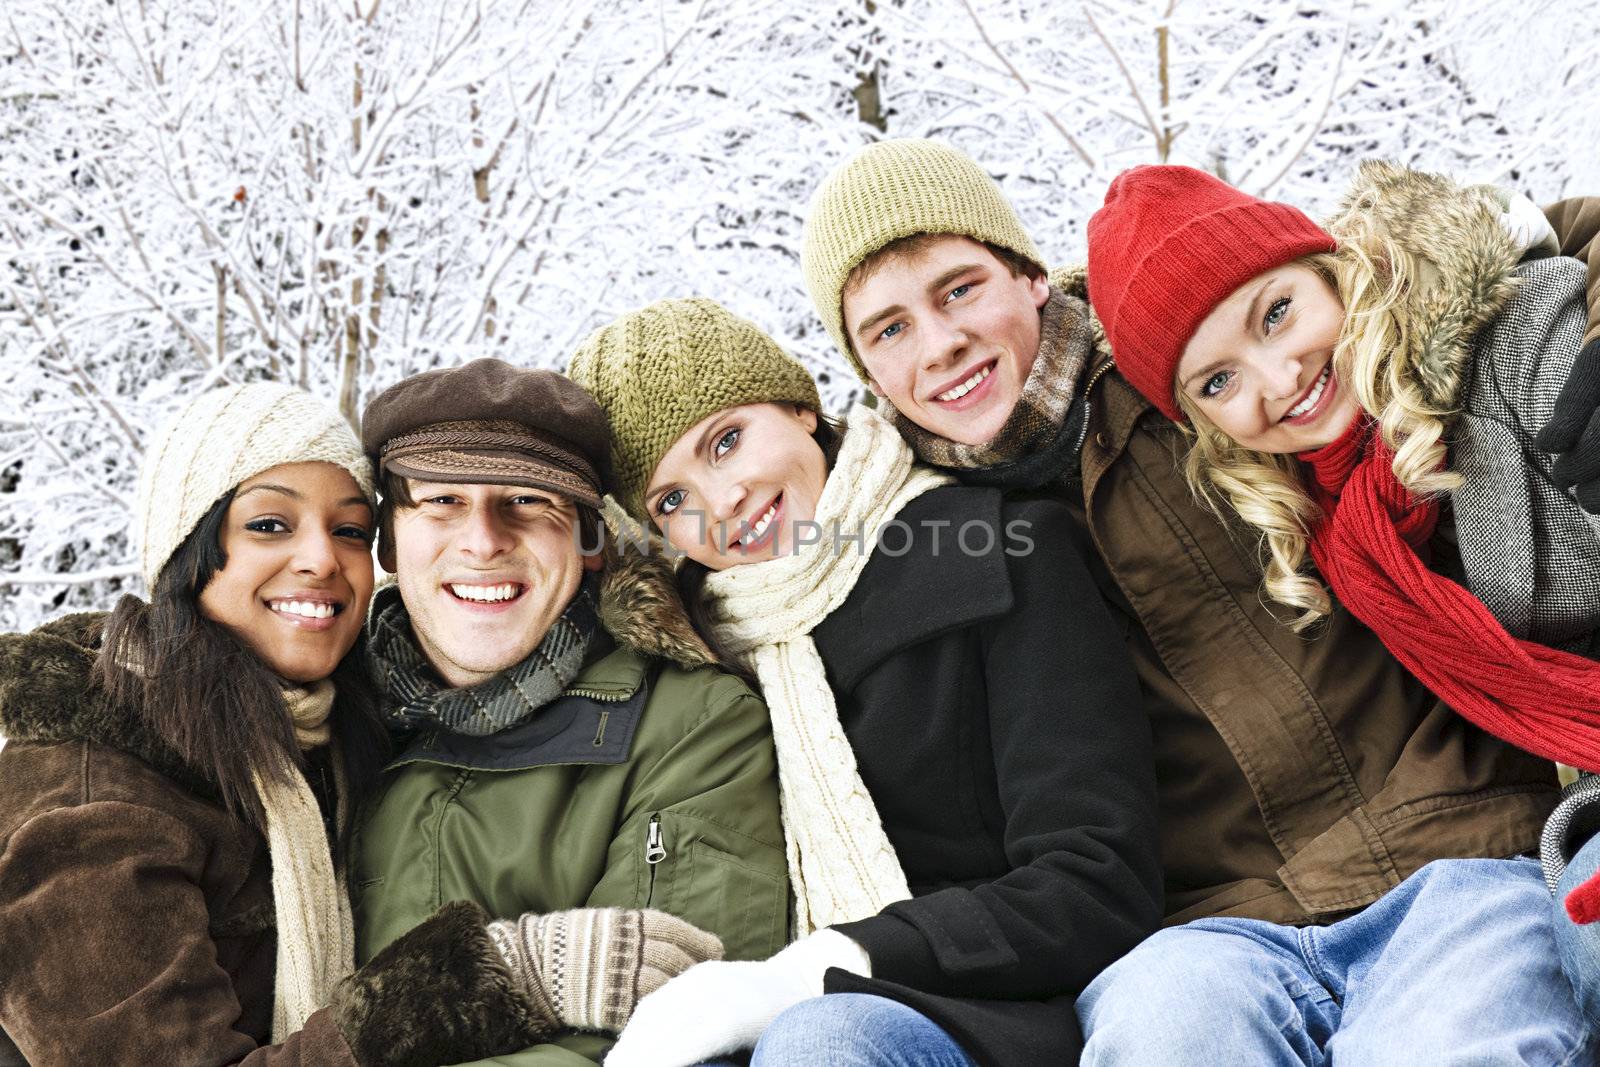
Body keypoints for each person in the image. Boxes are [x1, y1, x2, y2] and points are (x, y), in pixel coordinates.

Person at [801, 139, 1599, 1062]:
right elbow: (724, 544)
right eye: (888, 329)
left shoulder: (1184, 353)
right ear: (864, 371)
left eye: (958, 289)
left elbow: (1479, 262)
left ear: (1026, 276)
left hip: (1447, 847)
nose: (940, 345)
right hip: (1206, 932)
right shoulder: (917, 532)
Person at [567, 298, 1160, 1067]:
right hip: (765, 1024)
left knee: (821, 1042)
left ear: (799, 409)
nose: (722, 504)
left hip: (1005, 1015)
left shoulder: (998, 550)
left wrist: (821, 969)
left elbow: (1099, 878)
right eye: (671, 500)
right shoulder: (697, 652)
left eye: (727, 442)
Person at [1086, 161, 1600, 1031]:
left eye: (1276, 313)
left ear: (1330, 268)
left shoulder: (1506, 344)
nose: (1276, 377)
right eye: (1217, 382)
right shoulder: (1336, 527)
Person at [0, 383, 552, 1066]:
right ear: (186, 552)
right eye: (270, 525)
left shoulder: (335, 736)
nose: (323, 559)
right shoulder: (88, 799)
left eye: (350, 530)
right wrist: (487, 980)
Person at [350, 358, 790, 1065]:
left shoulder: (695, 728)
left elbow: (669, 1043)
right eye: (441, 501)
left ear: (588, 541)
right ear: (389, 542)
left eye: (528, 501)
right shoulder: (316, 725)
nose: (484, 540)